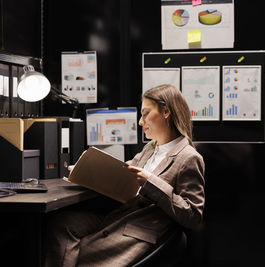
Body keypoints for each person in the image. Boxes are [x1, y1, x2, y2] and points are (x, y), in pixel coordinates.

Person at [45, 84, 205, 267]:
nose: (140, 122)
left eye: (145, 114)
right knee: (62, 223)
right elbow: (127, 169)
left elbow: (193, 215)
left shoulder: (189, 157)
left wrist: (150, 183)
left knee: (81, 254)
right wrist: (89, 170)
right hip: (120, 216)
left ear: (166, 112)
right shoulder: (151, 147)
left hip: (140, 229)